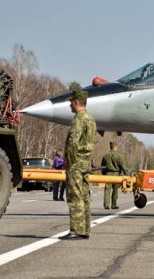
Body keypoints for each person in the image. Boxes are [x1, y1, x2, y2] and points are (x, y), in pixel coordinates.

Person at [60, 90, 96, 240]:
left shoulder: (78, 119)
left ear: (76, 102)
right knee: (85, 196)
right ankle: (85, 229)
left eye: (71, 102)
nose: (69, 105)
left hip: (76, 163)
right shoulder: (91, 119)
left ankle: (76, 230)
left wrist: (69, 161)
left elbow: (73, 143)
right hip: (86, 162)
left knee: (75, 197)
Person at [101, 141, 127, 210]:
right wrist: (126, 175)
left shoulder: (105, 155)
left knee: (107, 190)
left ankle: (106, 204)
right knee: (115, 190)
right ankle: (113, 204)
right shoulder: (119, 156)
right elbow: (123, 167)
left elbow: (102, 166)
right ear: (116, 147)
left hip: (108, 174)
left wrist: (104, 174)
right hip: (116, 175)